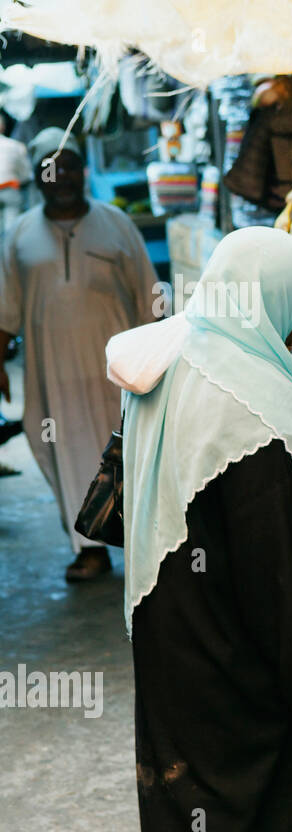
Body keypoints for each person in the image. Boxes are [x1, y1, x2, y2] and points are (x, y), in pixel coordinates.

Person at [108, 227, 292, 832]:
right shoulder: (257, 416)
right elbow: (276, 577)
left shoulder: (173, 355)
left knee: (178, 800)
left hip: (168, 630)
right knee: (239, 817)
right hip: (230, 651)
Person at [0, 128, 158, 581]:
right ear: (37, 175)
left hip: (117, 370)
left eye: (69, 163)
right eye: (52, 166)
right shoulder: (18, 236)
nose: (62, 174)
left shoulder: (117, 225)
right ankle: (89, 547)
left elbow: (150, 297)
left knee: (132, 450)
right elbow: (6, 309)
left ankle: (146, 547)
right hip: (50, 375)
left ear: (83, 170)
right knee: (61, 450)